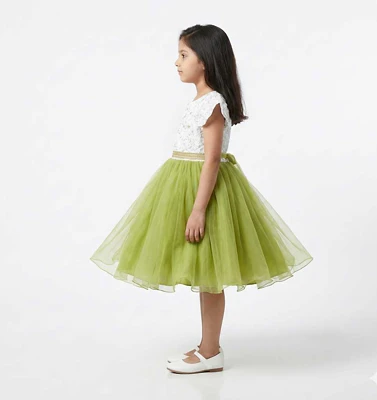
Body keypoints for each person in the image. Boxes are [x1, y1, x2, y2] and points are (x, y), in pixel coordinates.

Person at [90, 24, 314, 374]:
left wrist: (198, 210)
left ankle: (211, 352)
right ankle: (207, 346)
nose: (176, 62)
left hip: (203, 193)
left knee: (210, 276)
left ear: (205, 61)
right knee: (203, 274)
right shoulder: (201, 100)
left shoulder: (213, 103)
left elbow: (211, 160)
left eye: (183, 55)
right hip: (182, 185)